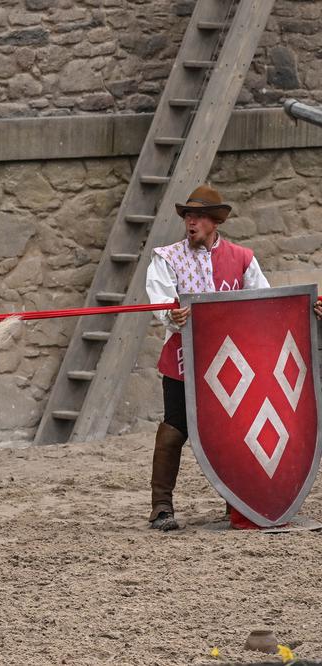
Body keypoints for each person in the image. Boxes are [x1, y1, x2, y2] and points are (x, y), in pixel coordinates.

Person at [144, 184, 269, 531]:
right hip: (184, 358)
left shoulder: (242, 258)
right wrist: (172, 316)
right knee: (174, 428)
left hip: (232, 363)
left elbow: (265, 301)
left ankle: (238, 504)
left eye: (198, 216)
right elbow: (161, 300)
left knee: (234, 430)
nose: (191, 222)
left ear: (215, 222)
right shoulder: (166, 257)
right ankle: (161, 507)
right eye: (187, 216)